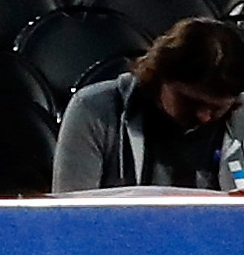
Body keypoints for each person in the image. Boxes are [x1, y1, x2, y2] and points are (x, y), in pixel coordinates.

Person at [53, 14, 244, 194]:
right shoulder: (93, 110)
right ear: (159, 77)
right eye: (189, 101)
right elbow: (71, 215)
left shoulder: (240, 117)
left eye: (217, 108)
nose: (203, 116)